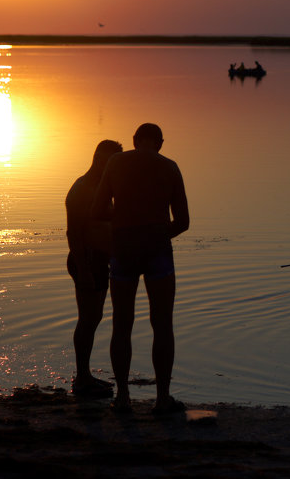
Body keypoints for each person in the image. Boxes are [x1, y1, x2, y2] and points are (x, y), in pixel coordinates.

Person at [91, 122, 190, 413]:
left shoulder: (115, 163)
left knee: (121, 325)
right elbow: (183, 222)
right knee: (162, 325)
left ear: (134, 141)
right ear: (160, 143)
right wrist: (158, 234)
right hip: (157, 251)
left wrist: (123, 218)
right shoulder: (170, 167)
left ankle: (122, 397)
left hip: (123, 249)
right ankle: (162, 398)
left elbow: (97, 211)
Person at [65, 139, 123, 397]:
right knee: (88, 319)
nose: (113, 166)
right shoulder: (82, 188)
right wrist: (84, 269)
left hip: (100, 260)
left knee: (94, 318)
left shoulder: (103, 187)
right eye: (110, 161)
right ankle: (82, 379)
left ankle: (85, 376)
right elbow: (74, 233)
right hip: (86, 260)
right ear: (98, 158)